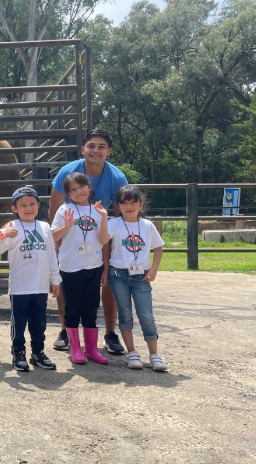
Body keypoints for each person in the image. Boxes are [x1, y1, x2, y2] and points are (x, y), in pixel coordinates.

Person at [48, 129, 128, 355]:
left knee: (109, 278)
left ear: (109, 151)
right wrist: (57, 241)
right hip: (70, 231)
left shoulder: (117, 177)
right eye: (91, 146)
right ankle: (66, 330)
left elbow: (120, 213)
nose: (96, 150)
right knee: (65, 281)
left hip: (101, 229)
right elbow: (54, 207)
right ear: (83, 149)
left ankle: (110, 333)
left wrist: (112, 246)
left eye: (102, 147)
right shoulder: (67, 171)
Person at [0, 187, 61, 371]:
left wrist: (55, 280)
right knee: (19, 323)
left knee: (39, 322)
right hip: (20, 286)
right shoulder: (11, 226)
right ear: (14, 208)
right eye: (23, 205)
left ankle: (38, 352)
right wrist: (4, 235)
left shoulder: (45, 227)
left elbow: (51, 256)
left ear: (38, 205)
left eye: (32, 204)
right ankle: (18, 352)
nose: (28, 208)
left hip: (40, 285)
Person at [51, 173, 111, 364]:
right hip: (70, 268)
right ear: (68, 193)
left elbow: (104, 240)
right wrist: (67, 226)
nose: (78, 192)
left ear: (89, 187)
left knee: (91, 309)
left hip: (93, 266)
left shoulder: (98, 211)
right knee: (72, 309)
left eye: (81, 187)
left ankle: (91, 349)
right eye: (73, 189)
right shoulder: (65, 210)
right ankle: (75, 349)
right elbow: (53, 236)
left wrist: (104, 217)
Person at [107, 186, 167, 371]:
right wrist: (101, 216)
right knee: (125, 314)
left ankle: (154, 354)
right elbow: (102, 240)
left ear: (141, 204)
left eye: (133, 202)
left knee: (146, 315)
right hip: (118, 275)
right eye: (124, 203)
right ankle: (132, 352)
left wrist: (154, 269)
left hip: (141, 275)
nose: (129, 206)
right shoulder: (114, 224)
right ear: (118, 205)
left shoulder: (147, 225)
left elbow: (158, 248)